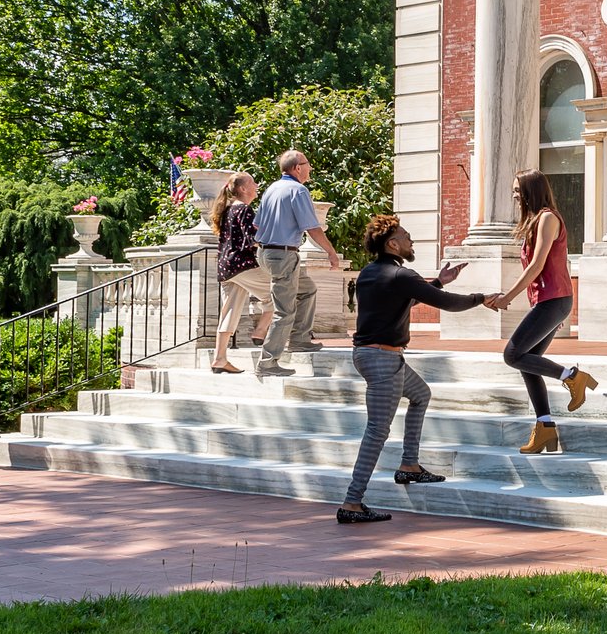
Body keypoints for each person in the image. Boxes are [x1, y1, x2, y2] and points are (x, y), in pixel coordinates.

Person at [337, 215, 486, 525]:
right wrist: (482, 299)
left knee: (420, 394)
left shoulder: (370, 273)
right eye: (405, 236)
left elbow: (403, 299)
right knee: (377, 430)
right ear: (392, 244)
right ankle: (352, 502)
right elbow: (445, 303)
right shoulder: (401, 274)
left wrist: (438, 282)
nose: (411, 240)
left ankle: (410, 466)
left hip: (370, 355)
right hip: (382, 359)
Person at [482, 168, 598, 454]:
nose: (514, 194)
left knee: (512, 354)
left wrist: (507, 296)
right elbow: (557, 265)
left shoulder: (547, 218)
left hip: (553, 300)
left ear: (532, 190)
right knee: (527, 360)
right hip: (550, 302)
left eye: (518, 189)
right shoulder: (535, 221)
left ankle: (572, 376)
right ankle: (545, 427)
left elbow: (537, 265)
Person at [253, 149, 342, 377]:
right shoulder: (298, 190)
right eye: (307, 163)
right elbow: (312, 228)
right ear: (297, 168)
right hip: (283, 255)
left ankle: (300, 339)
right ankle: (268, 361)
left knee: (308, 289)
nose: (310, 167)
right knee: (284, 312)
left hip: (267, 253)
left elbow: (257, 225)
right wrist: (331, 252)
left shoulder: (271, 189)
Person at [207, 172, 274, 373]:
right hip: (242, 265)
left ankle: (219, 358)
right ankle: (260, 331)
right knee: (279, 292)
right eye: (253, 182)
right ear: (243, 189)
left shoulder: (228, 209)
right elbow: (253, 238)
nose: (256, 185)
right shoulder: (244, 209)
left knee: (229, 311)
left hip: (227, 268)